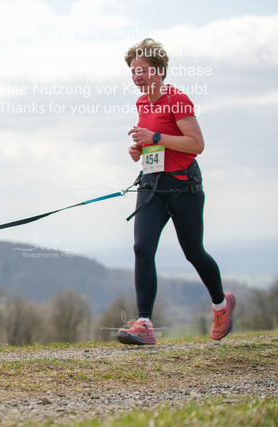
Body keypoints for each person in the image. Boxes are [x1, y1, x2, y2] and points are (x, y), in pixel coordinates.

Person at [116, 38, 235, 345]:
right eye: (133, 71)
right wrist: (140, 149)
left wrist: (154, 136)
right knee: (142, 248)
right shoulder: (142, 103)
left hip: (183, 186)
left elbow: (196, 144)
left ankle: (221, 305)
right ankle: (144, 323)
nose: (137, 76)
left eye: (143, 70)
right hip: (152, 184)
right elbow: (156, 143)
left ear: (160, 71)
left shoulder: (177, 100)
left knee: (193, 251)